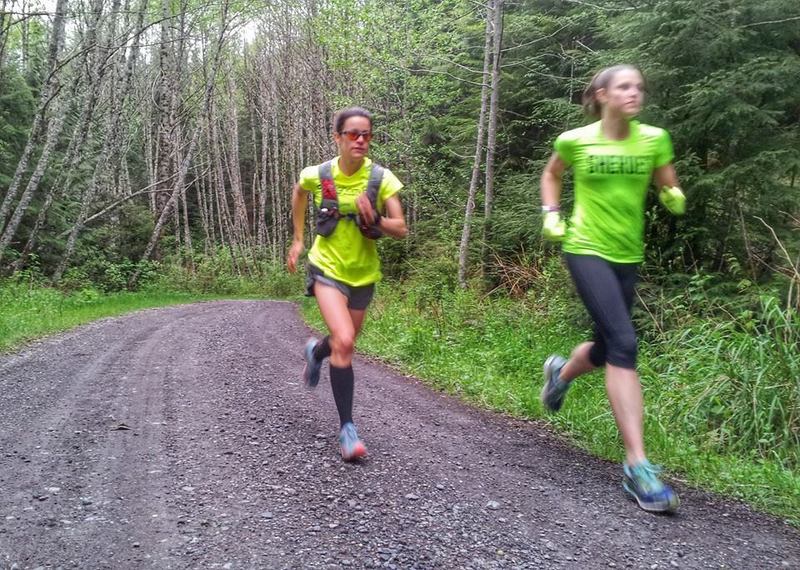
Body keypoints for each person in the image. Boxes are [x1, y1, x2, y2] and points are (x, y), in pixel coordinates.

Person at [538, 65, 686, 513]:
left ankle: (560, 375)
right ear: (602, 94)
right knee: (625, 342)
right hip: (584, 246)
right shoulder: (575, 140)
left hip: (628, 252)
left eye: (640, 87)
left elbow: (666, 179)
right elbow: (552, 175)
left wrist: (672, 194)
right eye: (625, 87)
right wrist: (551, 212)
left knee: (606, 348)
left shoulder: (653, 139)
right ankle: (637, 466)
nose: (634, 93)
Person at [287, 106, 408, 462]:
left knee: (343, 342)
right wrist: (297, 239)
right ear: (337, 137)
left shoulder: (382, 178)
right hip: (326, 268)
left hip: (363, 274)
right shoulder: (320, 174)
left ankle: (315, 352)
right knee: (345, 341)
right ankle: (347, 430)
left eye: (366, 134)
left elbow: (401, 228)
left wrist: (378, 220)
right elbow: (298, 192)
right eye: (352, 134)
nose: (360, 140)